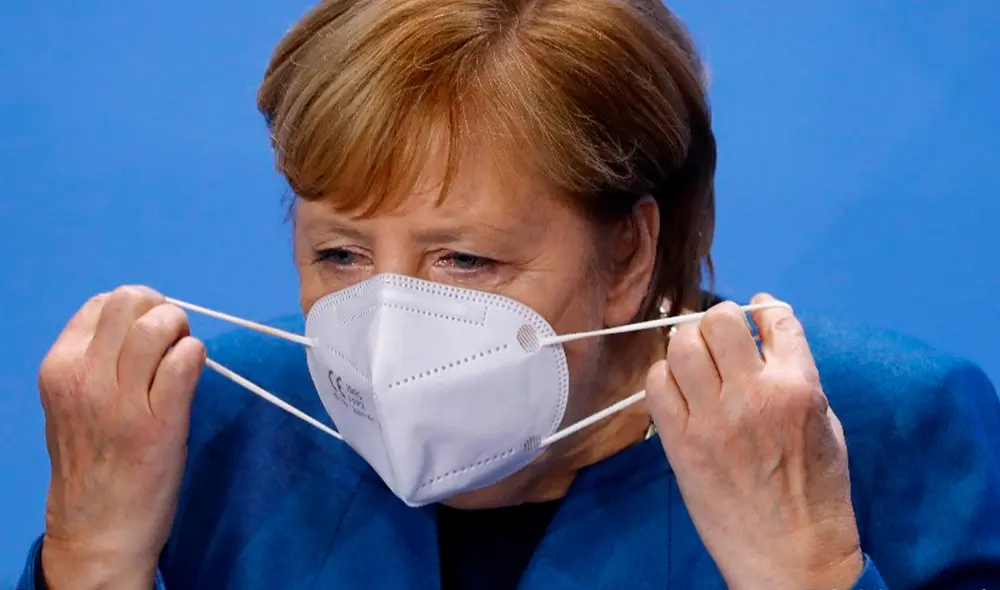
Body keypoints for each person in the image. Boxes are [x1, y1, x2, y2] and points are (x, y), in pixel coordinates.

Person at [18, 0, 1000, 588]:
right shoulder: (204, 418)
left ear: (628, 253)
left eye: (465, 261)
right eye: (340, 255)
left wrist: (809, 572)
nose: (385, 327)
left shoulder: (872, 420)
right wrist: (91, 556)